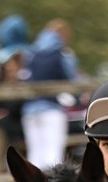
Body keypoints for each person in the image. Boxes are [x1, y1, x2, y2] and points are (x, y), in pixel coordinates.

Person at [21, 19, 78, 170]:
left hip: (30, 110)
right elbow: (72, 80)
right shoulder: (63, 54)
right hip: (52, 108)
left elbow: (25, 77)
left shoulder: (30, 54)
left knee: (34, 155)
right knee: (53, 154)